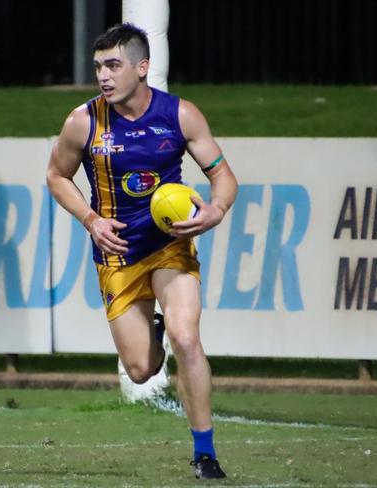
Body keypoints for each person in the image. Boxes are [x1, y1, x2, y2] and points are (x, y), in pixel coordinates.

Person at [46, 23, 237, 480]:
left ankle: (205, 453)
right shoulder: (83, 121)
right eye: (98, 67)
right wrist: (91, 220)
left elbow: (223, 176)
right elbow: (56, 175)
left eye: (114, 65)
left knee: (187, 338)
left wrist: (216, 210)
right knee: (139, 370)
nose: (104, 76)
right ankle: (153, 335)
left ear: (142, 67)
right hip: (117, 254)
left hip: (170, 246)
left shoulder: (181, 115)